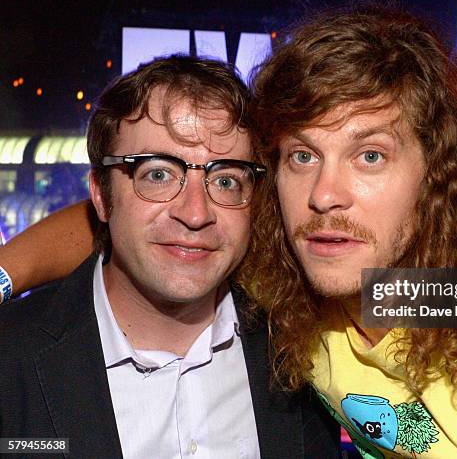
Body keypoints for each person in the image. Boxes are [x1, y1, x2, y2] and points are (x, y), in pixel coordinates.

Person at [1, 5, 457, 458]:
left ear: (439, 176)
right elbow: (145, 228)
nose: (325, 194)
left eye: (370, 156)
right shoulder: (311, 302)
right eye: (301, 156)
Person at [0, 55, 338, 458]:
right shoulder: (12, 362)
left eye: (226, 180)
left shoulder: (307, 336)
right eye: (157, 175)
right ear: (101, 196)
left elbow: (422, 296)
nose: (195, 213)